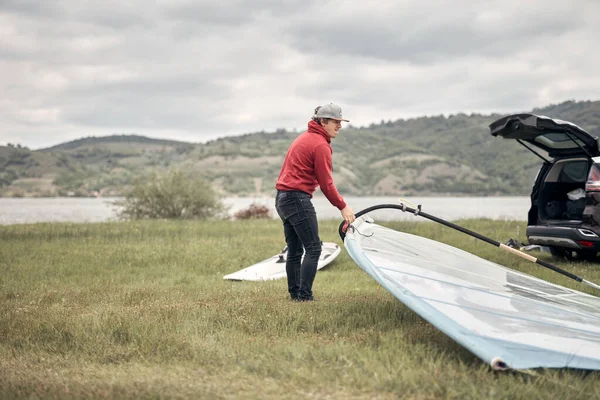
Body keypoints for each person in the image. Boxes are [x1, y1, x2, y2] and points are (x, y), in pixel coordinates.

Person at [275, 103, 355, 301]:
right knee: (314, 248)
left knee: (295, 250)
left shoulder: (304, 138)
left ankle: (295, 295)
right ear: (323, 121)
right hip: (296, 199)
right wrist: (343, 206)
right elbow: (326, 184)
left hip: (282, 198)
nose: (339, 126)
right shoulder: (320, 145)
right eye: (336, 122)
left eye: (340, 122)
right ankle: (304, 297)